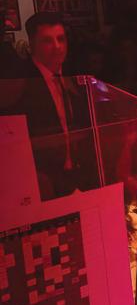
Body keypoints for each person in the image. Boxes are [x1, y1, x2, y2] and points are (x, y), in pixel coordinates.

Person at [13, 12, 96, 201]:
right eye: (47, 41)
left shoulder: (75, 76)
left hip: (80, 178)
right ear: (32, 43)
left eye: (61, 39)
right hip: (42, 184)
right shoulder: (21, 81)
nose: (57, 46)